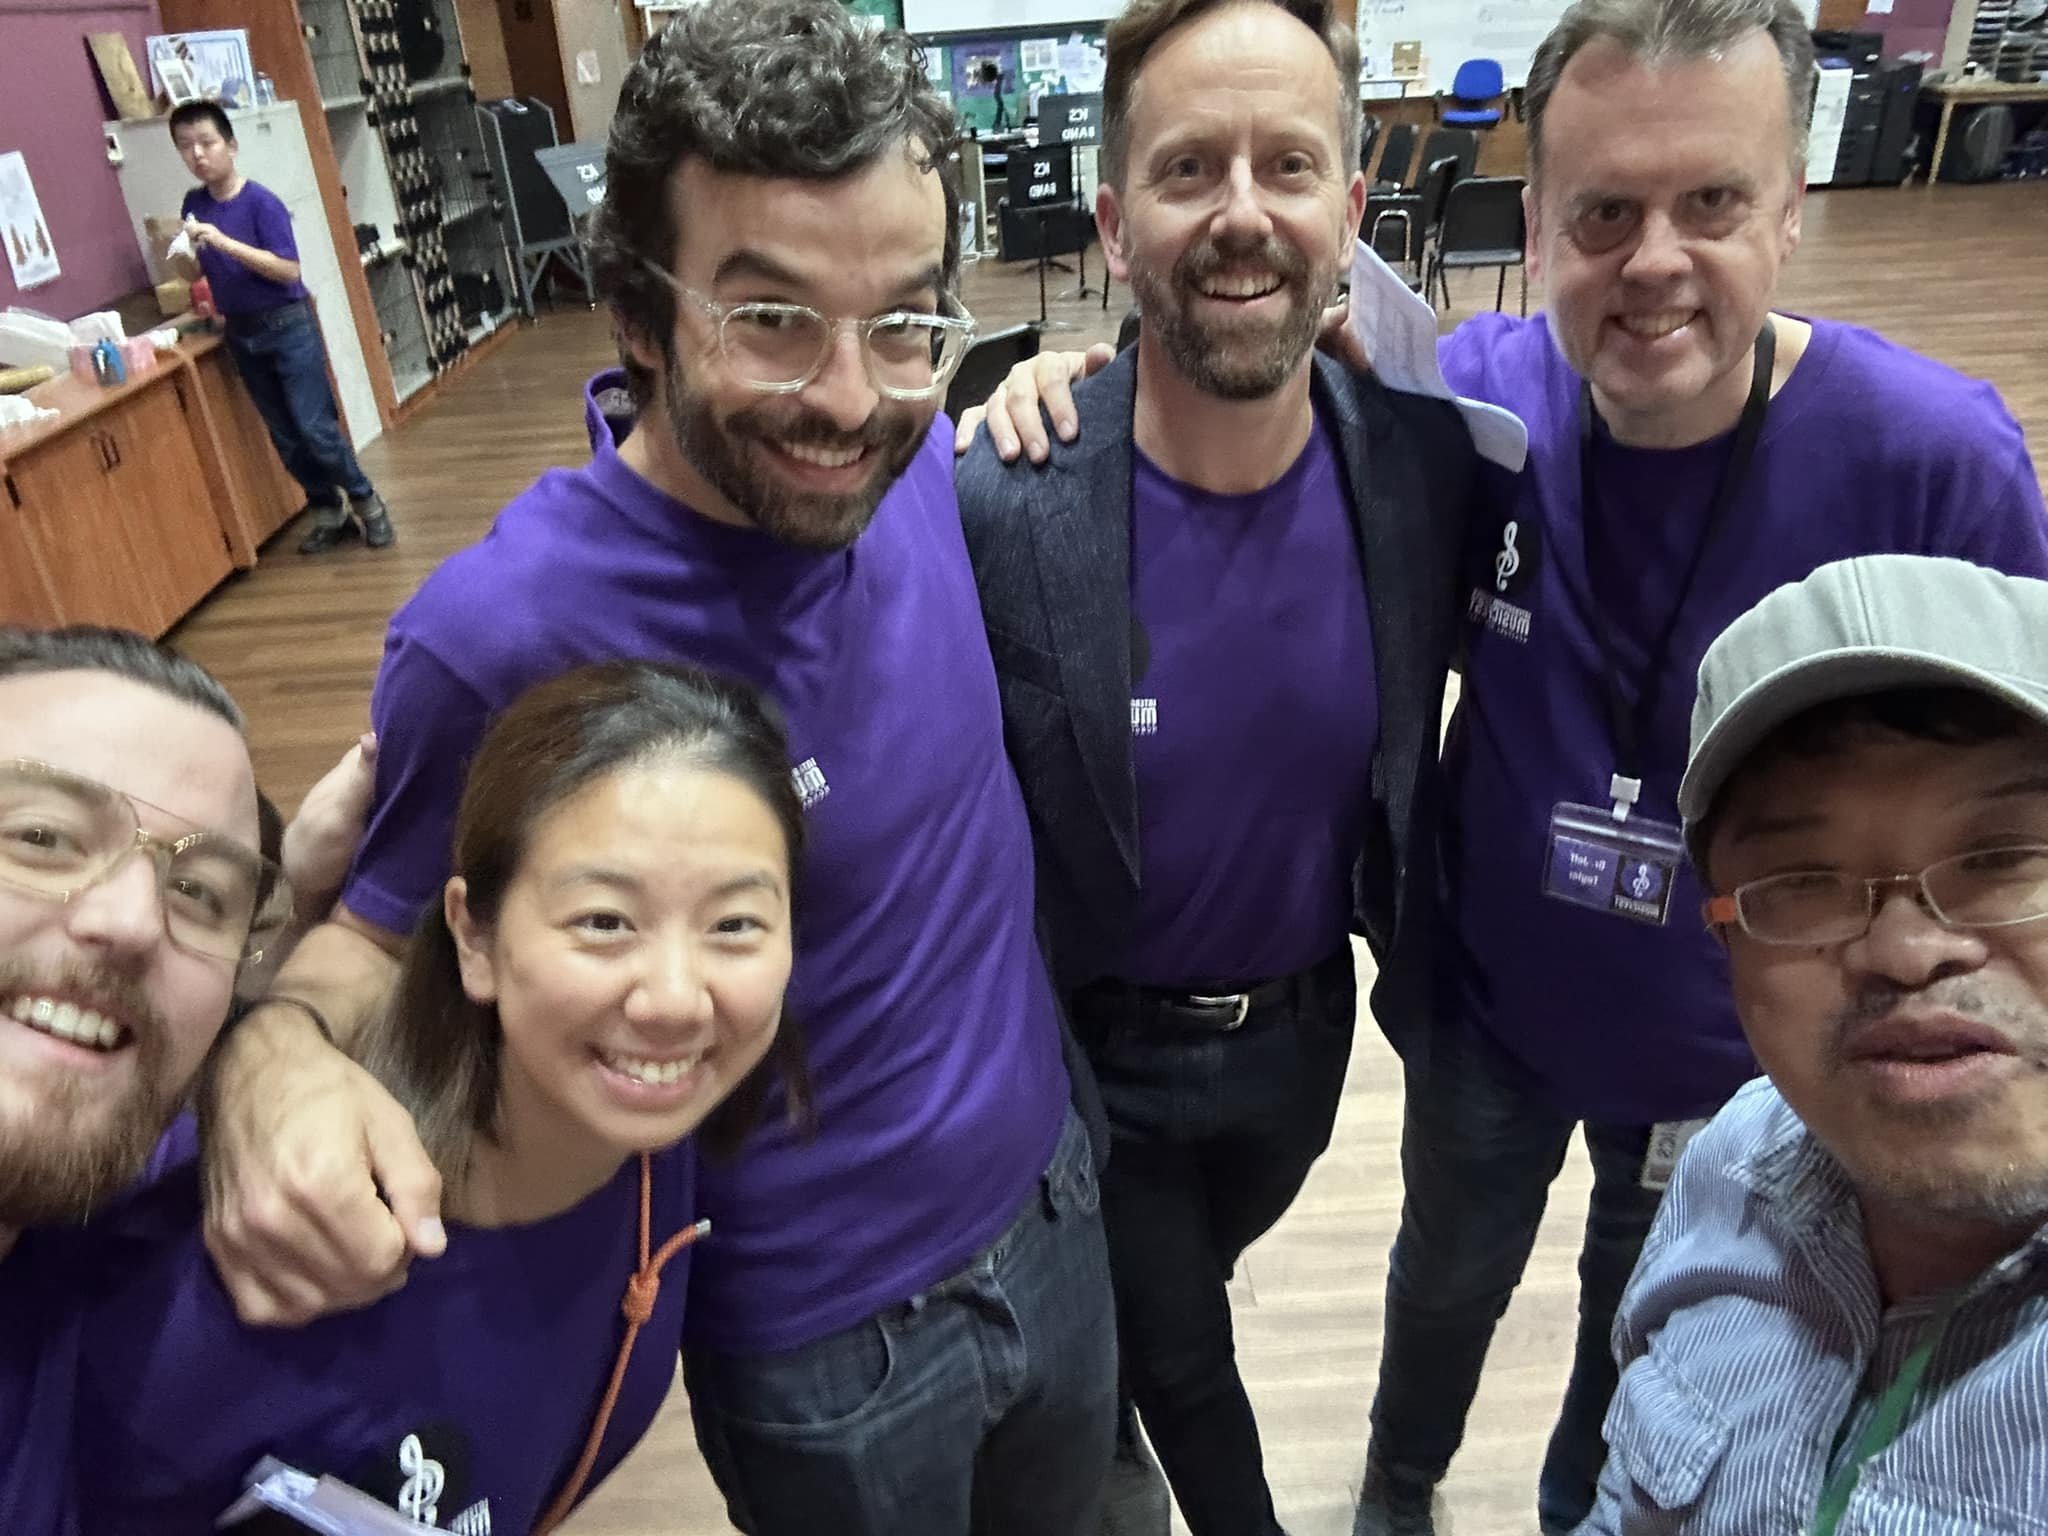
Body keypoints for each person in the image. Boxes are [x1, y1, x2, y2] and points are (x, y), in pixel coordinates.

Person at [958, 1, 2048, 1529]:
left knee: (1650, 1328)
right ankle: (1397, 1487)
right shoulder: (1465, 411)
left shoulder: (1936, 461)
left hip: (1745, 1062)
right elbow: (1240, 379)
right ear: (1536, 225)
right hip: (1490, 1012)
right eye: (1603, 214)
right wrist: (1068, 377)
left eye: (1712, 201)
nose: (1653, 262)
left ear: (1792, 207)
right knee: (1445, 1280)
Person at [193, 5, 1118, 1533]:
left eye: (902, 321)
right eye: (772, 319)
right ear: (635, 307)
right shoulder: (503, 634)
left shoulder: (908, 461)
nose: (847, 395)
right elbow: (364, 944)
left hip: (1057, 1197)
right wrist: (267, 1062)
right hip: (832, 1344)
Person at [954, 3, 1477, 1533]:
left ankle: (1106, 1349)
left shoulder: (1425, 467)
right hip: (1089, 1065)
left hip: (1305, 1047)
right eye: (1190, 169)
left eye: (1287, 166)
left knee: (1173, 1295)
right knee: (1190, 1367)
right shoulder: (1003, 495)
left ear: (1348, 210)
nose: (1243, 213)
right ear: (1117, 225)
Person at [75, 661, 804, 1535]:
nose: (676, 1001)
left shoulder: (644, 1131)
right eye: (605, 921)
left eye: (735, 924)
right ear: (475, 938)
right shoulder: (260, 1259)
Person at [1584, 551, 2048, 1531]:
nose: (1905, 952)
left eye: (2004, 858)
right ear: (1726, 942)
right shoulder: (1732, 1165)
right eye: (1801, 883)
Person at [0, 624, 333, 1534]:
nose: (135, 920)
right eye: (41, 837)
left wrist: (286, 1040)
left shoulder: (92, 1192)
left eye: (200, 895)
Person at [171, 101, 395, 554]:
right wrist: (181, 256)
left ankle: (368, 503)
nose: (198, 154)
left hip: (287, 325)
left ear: (231, 146)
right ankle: (329, 513)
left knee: (316, 429)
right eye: (186, 146)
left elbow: (288, 271)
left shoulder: (262, 203)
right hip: (241, 330)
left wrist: (224, 242)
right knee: (286, 438)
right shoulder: (194, 204)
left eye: (207, 143)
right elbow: (196, 271)